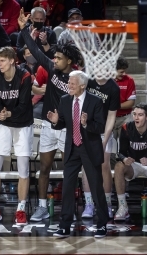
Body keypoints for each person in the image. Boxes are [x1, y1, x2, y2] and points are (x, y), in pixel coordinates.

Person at [17, 9, 82, 222]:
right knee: (43, 168)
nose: (54, 60)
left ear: (70, 61)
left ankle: (68, 208)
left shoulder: (78, 79)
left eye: (59, 58)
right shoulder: (52, 69)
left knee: (69, 170)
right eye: (54, 57)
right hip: (47, 126)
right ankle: (42, 206)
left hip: (67, 127)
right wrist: (24, 29)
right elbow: (35, 51)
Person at [47, 70, 109, 238]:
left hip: (89, 149)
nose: (69, 86)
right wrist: (55, 122)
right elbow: (61, 124)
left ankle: (102, 224)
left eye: (72, 83)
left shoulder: (95, 101)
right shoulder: (65, 100)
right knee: (67, 188)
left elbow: (100, 127)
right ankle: (65, 225)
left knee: (96, 188)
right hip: (72, 148)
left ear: (82, 85)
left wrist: (86, 123)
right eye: (69, 82)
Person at [0, 46, 33, 226]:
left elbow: (25, 104)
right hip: (3, 125)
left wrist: (9, 113)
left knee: (23, 169)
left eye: (2, 61)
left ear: (12, 61)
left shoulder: (25, 77)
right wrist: (0, 113)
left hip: (22, 124)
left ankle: (21, 209)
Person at [114, 103, 147, 221]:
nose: (136, 117)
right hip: (133, 165)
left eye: (140, 115)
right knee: (118, 166)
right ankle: (122, 207)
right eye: (134, 114)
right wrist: (125, 159)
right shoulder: (126, 128)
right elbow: (120, 152)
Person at [81, 77, 120, 219]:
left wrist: (105, 138)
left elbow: (111, 116)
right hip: (86, 128)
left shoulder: (113, 88)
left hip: (104, 130)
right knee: (87, 165)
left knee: (104, 165)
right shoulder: (87, 81)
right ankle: (89, 204)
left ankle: (107, 204)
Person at [113, 56, 136, 141]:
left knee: (125, 148)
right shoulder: (106, 80)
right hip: (109, 117)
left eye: (125, 71)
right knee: (110, 150)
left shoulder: (130, 80)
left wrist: (113, 106)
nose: (124, 74)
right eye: (121, 72)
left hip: (126, 118)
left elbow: (130, 103)